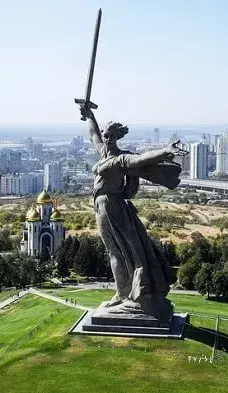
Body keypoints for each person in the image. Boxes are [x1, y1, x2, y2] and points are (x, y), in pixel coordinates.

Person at [80, 106, 188, 319]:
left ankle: (131, 293)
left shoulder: (120, 159)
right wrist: (89, 114)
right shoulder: (103, 152)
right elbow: (93, 134)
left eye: (110, 135)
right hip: (101, 206)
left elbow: (142, 160)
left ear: (117, 137)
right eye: (105, 135)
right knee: (114, 251)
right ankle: (122, 293)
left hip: (112, 206)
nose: (106, 138)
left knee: (124, 250)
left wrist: (165, 151)